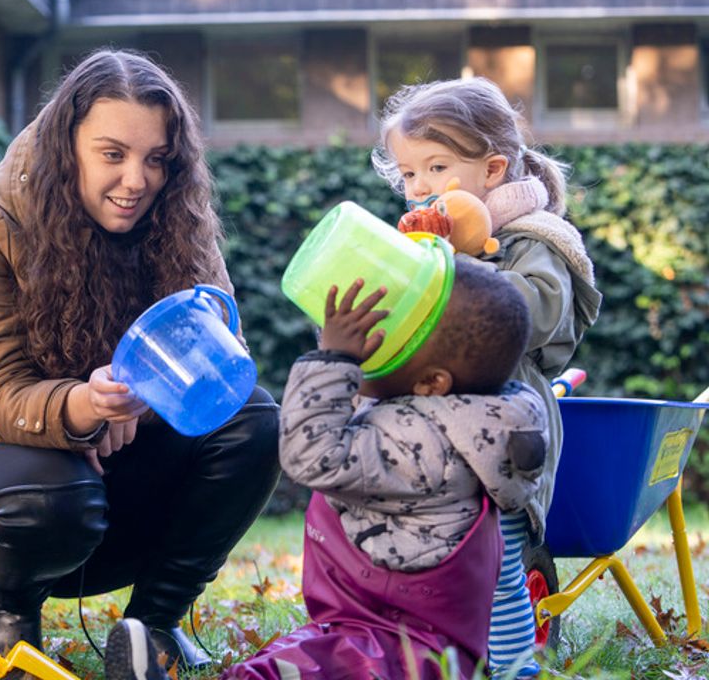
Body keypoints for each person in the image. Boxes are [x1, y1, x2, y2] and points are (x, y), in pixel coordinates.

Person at [0, 48, 281, 675]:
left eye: (156, 160)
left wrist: (141, 398)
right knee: (54, 491)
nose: (137, 180)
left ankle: (152, 626)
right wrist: (84, 405)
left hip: (114, 499)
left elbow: (212, 363)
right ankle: (5, 615)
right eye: (113, 154)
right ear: (66, 147)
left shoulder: (180, 225)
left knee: (254, 420)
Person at [371, 76, 602, 676]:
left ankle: (515, 663)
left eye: (436, 167)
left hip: (506, 430)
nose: (419, 187)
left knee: (496, 558)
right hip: (443, 431)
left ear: (493, 168)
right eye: (408, 174)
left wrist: (469, 261)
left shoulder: (536, 240)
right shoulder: (430, 244)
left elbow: (538, 313)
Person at [225, 262, 550, 680]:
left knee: (311, 667)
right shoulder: (466, 419)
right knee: (300, 655)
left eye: (391, 339)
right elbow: (367, 408)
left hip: (399, 643)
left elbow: (310, 453)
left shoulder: (419, 442)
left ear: (432, 383)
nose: (371, 346)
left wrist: (334, 360)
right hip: (393, 628)